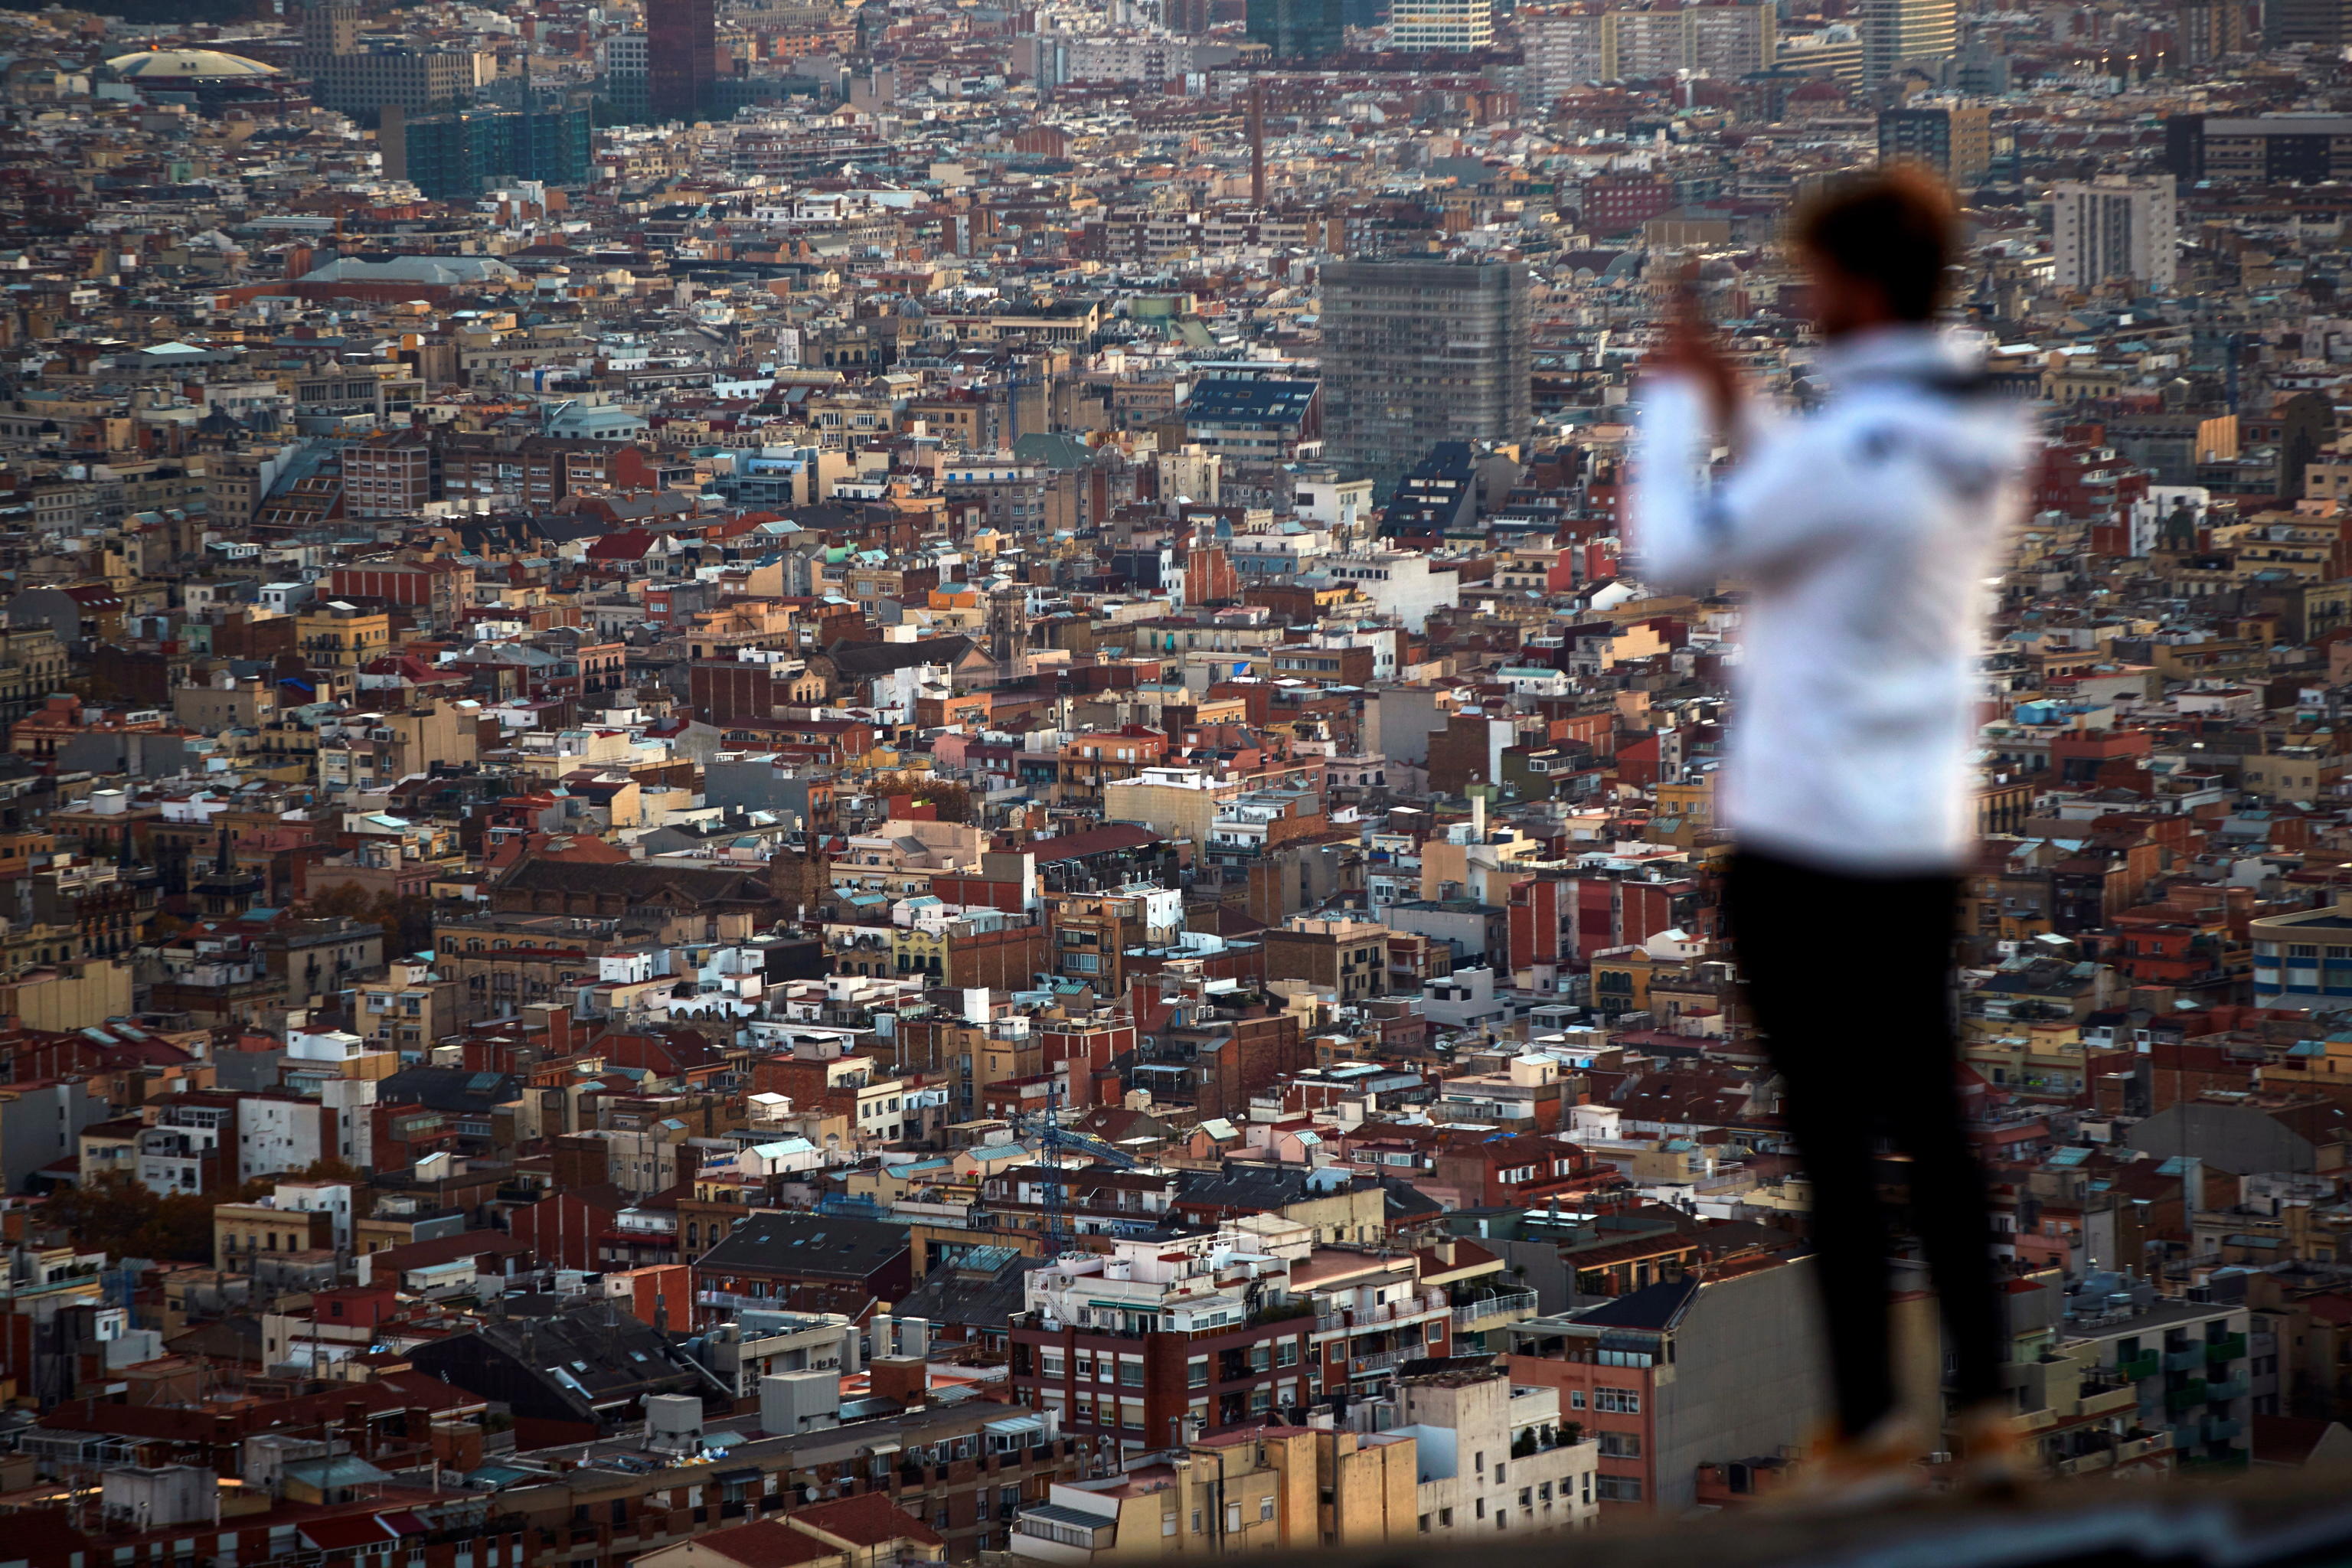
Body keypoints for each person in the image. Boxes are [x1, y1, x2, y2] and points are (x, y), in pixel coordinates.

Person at [1632, 168, 2035, 1499]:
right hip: (1919, 830)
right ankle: (1985, 1409)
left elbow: (1674, 549)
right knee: (1934, 1117)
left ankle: (1868, 1427)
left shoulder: (1854, 455)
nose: (1802, 305)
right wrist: (1750, 407)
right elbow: (1825, 496)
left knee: (1833, 1138)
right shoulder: (1974, 422)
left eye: (1813, 284)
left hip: (1808, 837)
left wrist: (1679, 401)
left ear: (1857, 289)